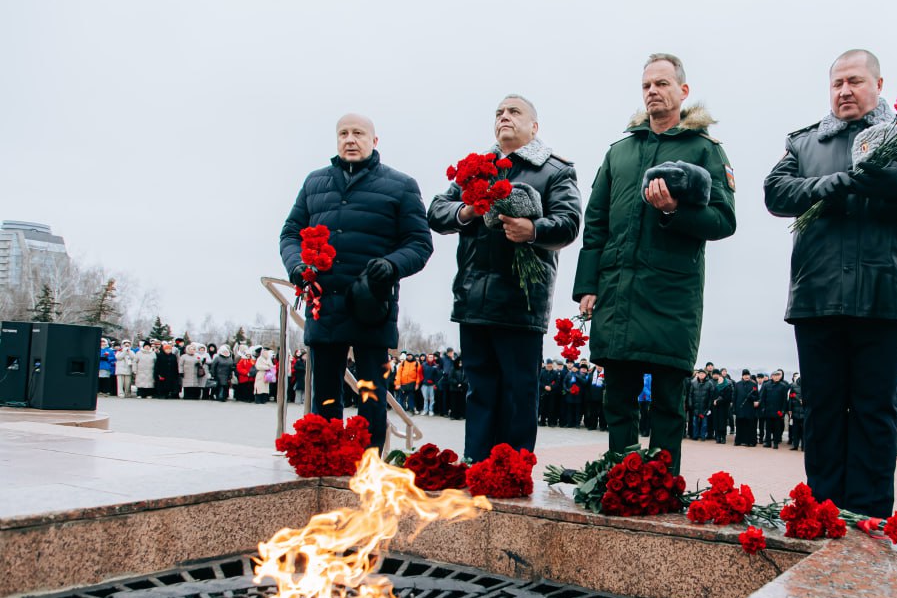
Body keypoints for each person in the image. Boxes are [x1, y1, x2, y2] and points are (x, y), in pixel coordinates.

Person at [763, 48, 897, 517]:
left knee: (874, 413)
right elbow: (775, 192)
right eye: (837, 83)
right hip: (817, 297)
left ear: (878, 85)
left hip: (883, 297)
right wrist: (831, 184)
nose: (845, 91)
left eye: (855, 81)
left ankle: (870, 519)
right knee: (822, 410)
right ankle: (824, 512)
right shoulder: (806, 143)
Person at [573, 53, 736, 475]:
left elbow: (724, 220)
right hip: (618, 291)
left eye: (662, 84)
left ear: (683, 91)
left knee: (667, 402)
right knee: (617, 399)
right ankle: (619, 481)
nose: (653, 92)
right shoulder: (620, 152)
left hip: (672, 294)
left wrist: (673, 211)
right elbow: (595, 223)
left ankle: (661, 488)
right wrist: (587, 286)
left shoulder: (704, 149)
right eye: (647, 85)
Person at [428, 94, 582, 461]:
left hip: (521, 302)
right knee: (479, 391)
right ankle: (476, 466)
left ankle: (511, 472)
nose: (504, 117)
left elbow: (569, 222)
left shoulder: (554, 170)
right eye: (499, 112)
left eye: (514, 111)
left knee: (518, 393)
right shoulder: (477, 168)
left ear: (534, 126)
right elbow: (436, 211)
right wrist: (467, 210)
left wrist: (533, 229)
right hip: (473, 298)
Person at [280, 113, 433, 450]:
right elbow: (290, 233)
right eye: (343, 133)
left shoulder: (400, 185)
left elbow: (420, 244)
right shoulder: (315, 182)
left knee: (372, 395)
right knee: (324, 396)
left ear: (374, 141)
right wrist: (296, 266)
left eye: (358, 133)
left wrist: (391, 265)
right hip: (324, 303)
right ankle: (326, 459)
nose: (350, 139)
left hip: (371, 305)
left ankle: (369, 463)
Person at [758, 369, 790, 449]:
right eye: (775, 375)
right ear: (772, 376)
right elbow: (762, 398)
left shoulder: (783, 386)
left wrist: (783, 410)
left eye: (778, 376)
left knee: (777, 428)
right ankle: (768, 442)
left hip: (778, 410)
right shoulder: (766, 385)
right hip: (768, 410)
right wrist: (763, 408)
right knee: (768, 427)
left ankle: (775, 443)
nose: (776, 377)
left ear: (780, 377)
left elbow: (784, 400)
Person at [686, 368, 714, 441]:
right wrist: (690, 404)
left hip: (704, 407)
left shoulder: (709, 384)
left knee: (704, 424)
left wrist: (709, 407)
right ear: (697, 374)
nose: (701, 375)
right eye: (700, 373)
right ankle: (695, 436)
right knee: (695, 423)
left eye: (703, 374)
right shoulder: (693, 383)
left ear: (705, 375)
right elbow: (690, 395)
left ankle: (702, 436)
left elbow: (711, 397)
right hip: (695, 407)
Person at [732, 369, 758, 447]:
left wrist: (751, 397)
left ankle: (750, 442)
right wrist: (734, 408)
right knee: (739, 425)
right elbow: (734, 397)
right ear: (742, 376)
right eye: (745, 375)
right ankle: (738, 441)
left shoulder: (754, 385)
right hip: (740, 408)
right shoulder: (737, 384)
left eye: (747, 375)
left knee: (749, 426)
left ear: (749, 376)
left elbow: (757, 397)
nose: (746, 376)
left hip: (749, 409)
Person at [710, 370, 733, 444]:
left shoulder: (727, 387)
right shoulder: (716, 387)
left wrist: (718, 401)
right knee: (716, 422)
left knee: (722, 423)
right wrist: (714, 401)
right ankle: (718, 437)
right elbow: (713, 397)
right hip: (716, 408)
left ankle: (723, 437)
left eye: (721, 379)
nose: (719, 380)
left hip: (723, 408)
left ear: (724, 380)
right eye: (718, 379)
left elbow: (727, 398)